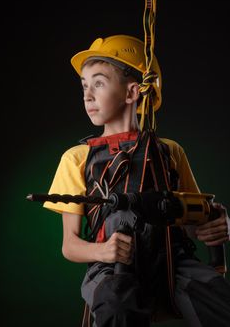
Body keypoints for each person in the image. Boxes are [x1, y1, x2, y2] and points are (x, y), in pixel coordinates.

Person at [43, 35, 230, 327]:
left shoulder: (169, 151)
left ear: (133, 92)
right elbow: (70, 245)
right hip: (111, 268)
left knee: (218, 298)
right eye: (84, 86)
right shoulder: (77, 157)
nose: (87, 95)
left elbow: (193, 218)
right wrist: (101, 251)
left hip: (173, 264)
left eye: (99, 83)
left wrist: (214, 224)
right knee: (116, 305)